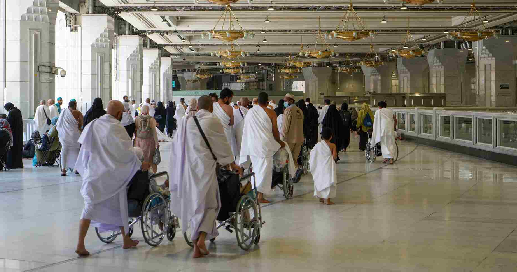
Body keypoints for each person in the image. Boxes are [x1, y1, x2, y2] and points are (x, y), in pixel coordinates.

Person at [170, 95, 242, 258]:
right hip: (205, 169)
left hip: (189, 170)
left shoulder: (188, 122)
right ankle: (201, 239)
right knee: (210, 206)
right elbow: (222, 145)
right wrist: (232, 164)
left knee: (195, 205)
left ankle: (196, 246)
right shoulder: (212, 121)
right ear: (211, 107)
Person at [75, 100, 150, 256]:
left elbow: (84, 148)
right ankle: (122, 240)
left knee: (95, 207)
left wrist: (88, 168)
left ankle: (122, 239)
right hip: (112, 177)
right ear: (118, 114)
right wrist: (139, 162)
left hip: (94, 174)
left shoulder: (94, 124)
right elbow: (126, 153)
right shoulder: (117, 128)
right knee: (116, 207)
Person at [240, 92, 284, 203]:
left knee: (256, 169)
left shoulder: (250, 112)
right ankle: (260, 196)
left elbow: (246, 130)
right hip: (265, 145)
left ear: (257, 101)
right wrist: (279, 142)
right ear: (267, 101)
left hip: (253, 145)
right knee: (264, 170)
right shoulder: (271, 112)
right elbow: (275, 131)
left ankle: (255, 193)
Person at [310, 127, 337, 205]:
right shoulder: (332, 145)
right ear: (331, 136)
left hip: (320, 166)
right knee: (328, 182)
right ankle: (327, 200)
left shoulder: (318, 145)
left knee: (320, 180)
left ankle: (321, 198)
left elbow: (313, 154)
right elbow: (334, 156)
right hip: (328, 166)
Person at [56, 100, 83, 176]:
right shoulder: (78, 113)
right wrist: (78, 128)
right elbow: (81, 123)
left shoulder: (63, 112)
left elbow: (59, 123)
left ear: (69, 106)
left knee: (64, 151)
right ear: (75, 105)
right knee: (76, 151)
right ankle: (76, 169)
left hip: (65, 135)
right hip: (74, 135)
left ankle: (63, 170)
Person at [281, 93, 304, 169]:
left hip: (290, 139)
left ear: (291, 101)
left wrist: (281, 138)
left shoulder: (288, 110)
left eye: (286, 100)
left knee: (287, 159)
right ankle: (295, 174)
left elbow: (285, 126)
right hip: (299, 138)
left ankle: (289, 176)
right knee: (294, 159)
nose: (284, 102)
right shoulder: (299, 110)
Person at [213, 88, 237, 157]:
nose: (230, 101)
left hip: (214, 134)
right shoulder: (228, 108)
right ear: (226, 98)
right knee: (225, 155)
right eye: (230, 98)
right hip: (225, 135)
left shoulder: (212, 105)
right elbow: (231, 123)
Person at [135, 105, 159, 173]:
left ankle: (141, 173)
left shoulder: (137, 118)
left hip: (139, 141)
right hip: (149, 141)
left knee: (140, 158)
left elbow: (136, 130)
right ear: (148, 110)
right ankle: (152, 173)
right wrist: (157, 143)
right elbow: (154, 132)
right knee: (150, 158)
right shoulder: (151, 119)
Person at [3, 103, 23, 169]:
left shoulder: (12, 112)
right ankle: (19, 164)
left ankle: (12, 164)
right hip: (19, 133)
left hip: (14, 133)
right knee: (18, 148)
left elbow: (9, 122)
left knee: (13, 148)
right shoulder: (18, 111)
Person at [233, 97, 249, 165]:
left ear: (239, 103)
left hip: (237, 135)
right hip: (247, 136)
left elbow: (232, 125)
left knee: (239, 153)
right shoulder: (250, 112)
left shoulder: (235, 112)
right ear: (248, 103)